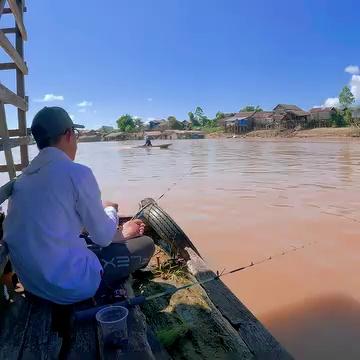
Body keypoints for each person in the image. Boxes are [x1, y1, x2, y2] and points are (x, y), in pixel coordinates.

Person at [3, 107, 155, 305]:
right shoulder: (77, 173)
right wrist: (112, 212)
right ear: (68, 134)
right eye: (75, 134)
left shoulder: (23, 179)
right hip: (69, 286)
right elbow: (102, 238)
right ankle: (105, 282)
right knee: (145, 245)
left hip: (32, 283)